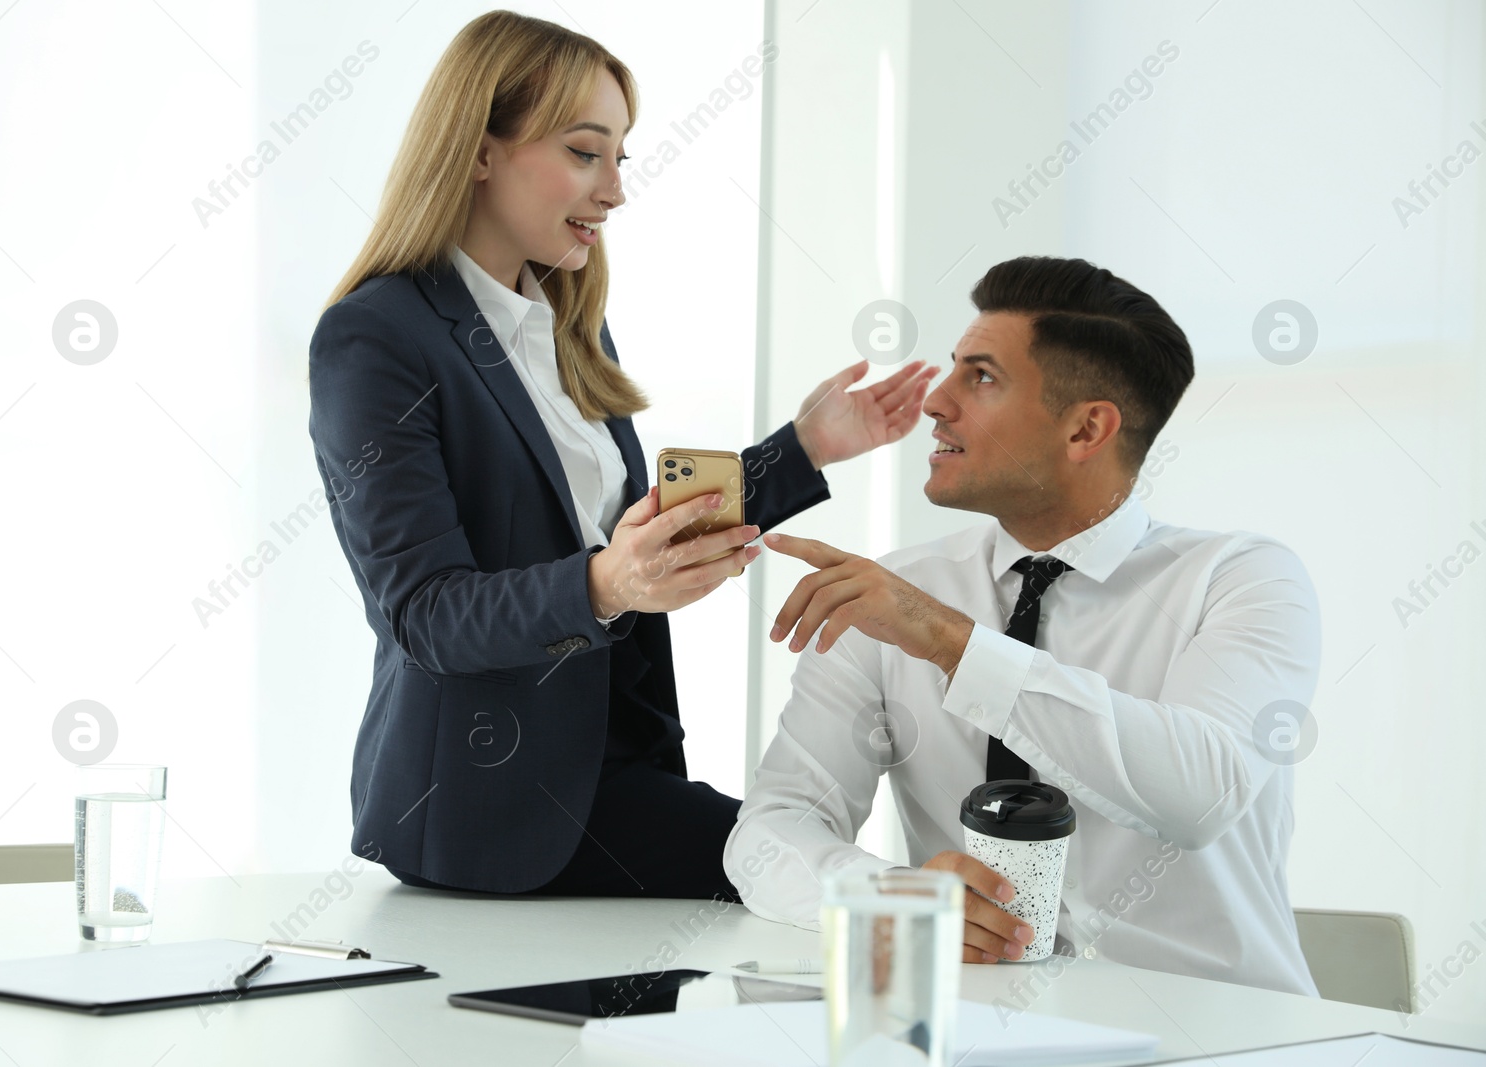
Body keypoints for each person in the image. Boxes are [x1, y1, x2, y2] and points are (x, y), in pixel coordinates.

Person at [307, 10, 937, 900]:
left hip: (615, 767)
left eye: (620, 158)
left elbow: (645, 536)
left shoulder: (564, 321)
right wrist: (608, 585)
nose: (615, 190)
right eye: (584, 152)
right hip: (491, 804)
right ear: (479, 149)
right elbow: (426, 615)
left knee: (789, 865)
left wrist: (810, 446)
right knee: (803, 876)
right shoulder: (377, 339)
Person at [725, 255, 1322, 996]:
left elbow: (1201, 793)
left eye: (980, 377)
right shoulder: (896, 592)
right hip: (976, 1035)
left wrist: (950, 642)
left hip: (1217, 1039)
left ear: (1085, 430)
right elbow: (769, 832)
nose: (937, 402)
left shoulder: (1243, 578)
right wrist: (890, 898)